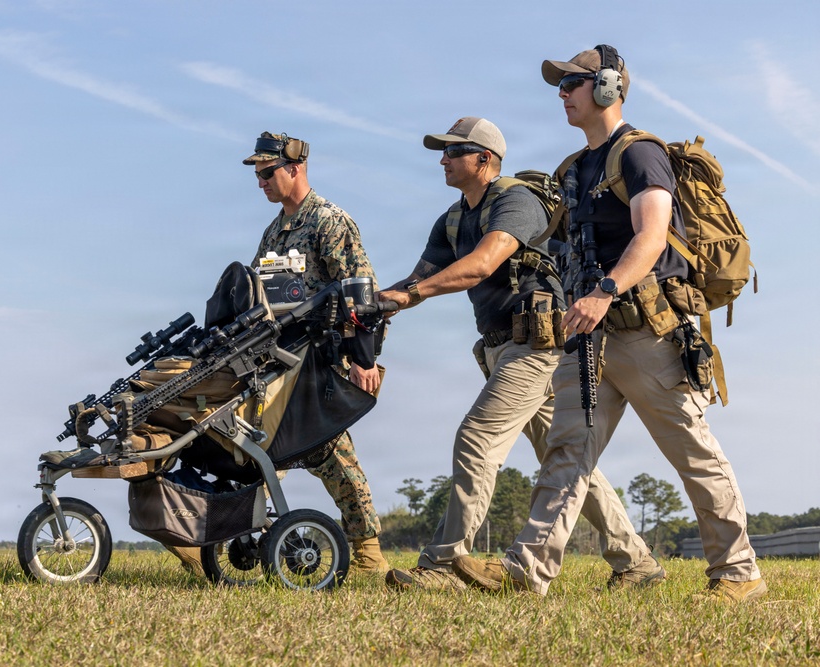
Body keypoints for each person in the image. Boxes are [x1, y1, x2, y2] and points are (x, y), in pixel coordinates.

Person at [450, 46, 766, 603]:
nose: (562, 94)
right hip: (588, 336)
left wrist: (603, 291)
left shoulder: (640, 155)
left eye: (571, 84)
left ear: (606, 87)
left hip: (647, 330)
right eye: (561, 86)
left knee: (693, 451)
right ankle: (528, 572)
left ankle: (738, 573)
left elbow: (650, 235)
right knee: (567, 451)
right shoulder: (573, 169)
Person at [377, 117, 660, 590]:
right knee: (563, 457)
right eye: (442, 151)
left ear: (483, 159)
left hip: (536, 348)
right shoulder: (451, 218)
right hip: (501, 349)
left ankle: (445, 565)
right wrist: (371, 301)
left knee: (477, 437)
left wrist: (412, 294)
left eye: (453, 151)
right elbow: (415, 281)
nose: (442, 159)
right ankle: (636, 561)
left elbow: (482, 264)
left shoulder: (516, 201)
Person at [168, 132, 389, 575]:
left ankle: (367, 552)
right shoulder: (274, 231)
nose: (260, 181)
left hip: (322, 361)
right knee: (257, 449)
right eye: (256, 174)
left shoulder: (330, 221)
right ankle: (213, 535)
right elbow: (255, 296)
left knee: (328, 451)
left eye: (267, 172)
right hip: (276, 363)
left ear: (295, 167)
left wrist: (364, 359)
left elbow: (363, 296)